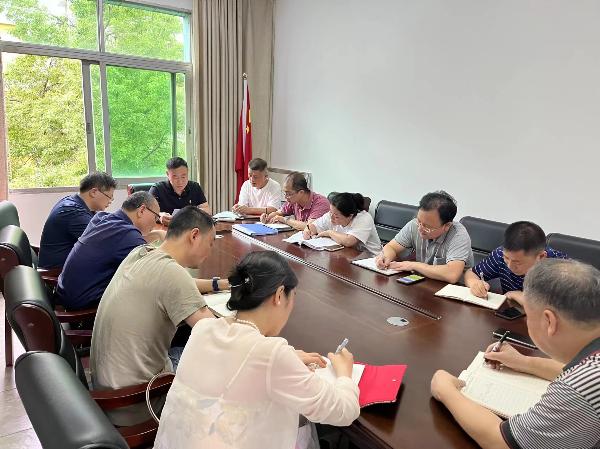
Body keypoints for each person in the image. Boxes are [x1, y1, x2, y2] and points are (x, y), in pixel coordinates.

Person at [154, 251, 360, 449]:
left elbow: (240, 362)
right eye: (293, 296)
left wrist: (288, 358)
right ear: (279, 295)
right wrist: (344, 373)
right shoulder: (272, 354)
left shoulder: (204, 328)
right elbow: (343, 411)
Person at [431, 259, 600, 449]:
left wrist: (445, 390)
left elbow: (501, 442)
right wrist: (523, 362)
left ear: (549, 322)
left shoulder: (580, 386)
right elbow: (571, 370)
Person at [90, 206, 217, 426]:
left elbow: (181, 284)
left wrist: (220, 284)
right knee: (218, 368)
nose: (210, 251)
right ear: (194, 235)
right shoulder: (172, 274)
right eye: (211, 242)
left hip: (108, 393)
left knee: (181, 345)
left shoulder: (141, 253)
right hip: (140, 402)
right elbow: (218, 336)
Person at [56, 192, 166, 310]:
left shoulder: (102, 218)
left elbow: (123, 241)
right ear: (142, 210)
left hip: (65, 292)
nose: (155, 223)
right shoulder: (127, 235)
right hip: (84, 305)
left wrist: (157, 234)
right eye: (155, 217)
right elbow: (156, 267)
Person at [376, 191, 473, 283]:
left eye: (427, 227)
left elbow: (452, 275)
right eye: (419, 221)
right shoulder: (415, 225)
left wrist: (413, 265)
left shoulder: (458, 235)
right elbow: (391, 247)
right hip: (424, 281)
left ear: (446, 226)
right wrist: (385, 258)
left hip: (452, 289)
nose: (420, 229)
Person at [465, 221, 568, 301]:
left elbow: (555, 307)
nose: (509, 266)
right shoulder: (500, 254)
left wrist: (517, 295)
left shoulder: (560, 268)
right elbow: (471, 273)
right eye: (506, 258)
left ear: (541, 257)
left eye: (517, 262)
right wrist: (475, 284)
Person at [38, 172, 117, 269]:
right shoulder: (73, 212)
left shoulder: (74, 202)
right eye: (110, 196)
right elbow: (102, 244)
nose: (111, 201)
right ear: (94, 192)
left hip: (68, 266)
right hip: (57, 272)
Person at [303, 192, 382, 255]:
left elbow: (349, 241)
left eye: (336, 216)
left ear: (350, 216)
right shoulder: (332, 213)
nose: (331, 217)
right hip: (346, 254)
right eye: (330, 212)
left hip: (371, 258)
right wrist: (308, 229)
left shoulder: (364, 218)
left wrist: (329, 233)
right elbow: (314, 226)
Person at [149, 157, 210, 226]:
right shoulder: (157, 189)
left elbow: (206, 209)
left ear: (188, 172)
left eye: (183, 177)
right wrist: (160, 216)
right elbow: (148, 213)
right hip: (165, 229)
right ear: (167, 174)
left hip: (189, 228)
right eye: (175, 177)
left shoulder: (194, 187)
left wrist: (194, 213)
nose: (180, 182)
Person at [260, 172, 330, 230]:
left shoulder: (321, 203)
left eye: (289, 194)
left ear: (301, 192)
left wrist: (285, 220)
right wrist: (268, 217)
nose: (286, 197)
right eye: (285, 193)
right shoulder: (294, 200)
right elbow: (279, 212)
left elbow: (309, 227)